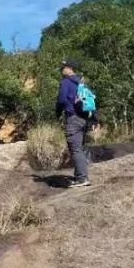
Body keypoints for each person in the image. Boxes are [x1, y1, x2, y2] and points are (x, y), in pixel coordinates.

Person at [55, 59, 92, 187]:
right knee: (79, 147)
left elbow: (61, 100)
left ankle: (82, 178)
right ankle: (79, 177)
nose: (62, 69)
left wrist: (58, 113)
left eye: (64, 67)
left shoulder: (66, 82)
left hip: (73, 118)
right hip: (83, 118)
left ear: (70, 68)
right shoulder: (81, 82)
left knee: (75, 149)